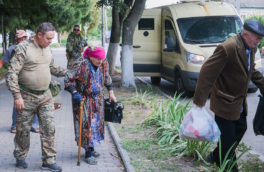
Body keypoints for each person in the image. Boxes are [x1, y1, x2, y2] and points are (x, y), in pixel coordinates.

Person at [193, 19, 264, 172]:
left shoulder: (252, 48)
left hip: (238, 103)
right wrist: (199, 101)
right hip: (224, 102)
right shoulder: (228, 48)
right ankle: (229, 167)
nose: (259, 41)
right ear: (245, 35)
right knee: (227, 139)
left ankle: (215, 156)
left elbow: (251, 71)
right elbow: (207, 72)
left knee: (241, 128)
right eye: (257, 37)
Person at [5, 22, 67, 171]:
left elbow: (52, 67)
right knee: (22, 130)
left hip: (45, 96)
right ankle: (20, 156)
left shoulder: (47, 48)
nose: (50, 41)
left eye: (52, 39)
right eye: (48, 38)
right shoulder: (23, 48)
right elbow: (11, 74)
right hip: (26, 96)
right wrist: (17, 96)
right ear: (39, 35)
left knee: (49, 128)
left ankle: (49, 160)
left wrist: (70, 72)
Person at [64, 46, 116, 165]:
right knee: (86, 124)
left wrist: (111, 92)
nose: (100, 61)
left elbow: (107, 77)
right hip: (84, 99)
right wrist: (74, 93)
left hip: (98, 99)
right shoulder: (80, 64)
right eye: (97, 58)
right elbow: (68, 79)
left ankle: (92, 147)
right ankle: (88, 153)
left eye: (102, 58)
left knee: (97, 123)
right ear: (91, 56)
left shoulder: (103, 62)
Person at [0, 30, 40, 134]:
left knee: (35, 100)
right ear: (17, 39)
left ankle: (34, 125)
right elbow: (1, 62)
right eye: (21, 38)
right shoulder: (11, 49)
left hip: (31, 79)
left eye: (24, 38)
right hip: (17, 81)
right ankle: (14, 126)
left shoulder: (30, 48)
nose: (23, 40)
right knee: (18, 102)